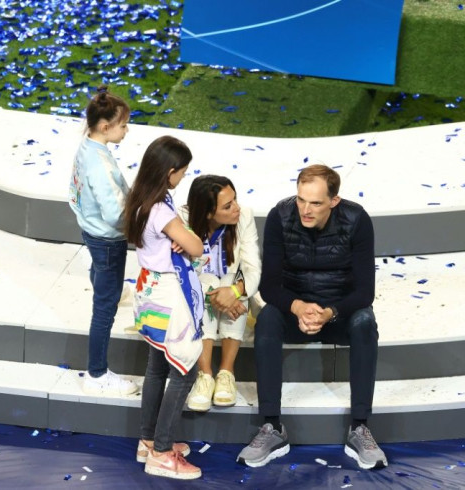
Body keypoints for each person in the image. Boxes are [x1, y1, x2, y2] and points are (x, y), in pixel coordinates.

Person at [237, 164, 387, 470]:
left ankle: (360, 427)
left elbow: (365, 292)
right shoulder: (281, 216)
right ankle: (272, 427)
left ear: (334, 201)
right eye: (301, 200)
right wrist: (297, 308)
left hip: (339, 312)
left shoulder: (357, 219)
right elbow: (269, 285)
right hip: (295, 310)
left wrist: (330, 312)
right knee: (266, 320)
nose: (305, 209)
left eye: (315, 203)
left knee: (365, 322)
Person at [125, 135, 205, 480]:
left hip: (149, 291)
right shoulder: (161, 209)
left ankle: (149, 439)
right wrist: (185, 235)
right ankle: (161, 451)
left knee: (157, 365)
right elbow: (197, 247)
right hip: (170, 294)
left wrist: (180, 235)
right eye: (182, 173)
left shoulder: (141, 198)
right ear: (170, 171)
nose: (182, 178)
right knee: (184, 369)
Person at [68, 86, 137, 396]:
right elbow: (114, 214)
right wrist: (138, 228)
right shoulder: (101, 165)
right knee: (104, 309)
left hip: (90, 228)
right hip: (107, 238)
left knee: (102, 276)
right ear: (106, 126)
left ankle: (106, 285)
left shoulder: (88, 148)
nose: (126, 130)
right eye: (123, 125)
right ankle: (96, 374)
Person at [180, 175, 262, 411]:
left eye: (235, 200)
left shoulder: (244, 216)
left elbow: (252, 267)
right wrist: (216, 294)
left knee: (233, 282)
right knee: (206, 284)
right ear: (207, 213)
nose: (236, 207)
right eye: (227, 206)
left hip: (231, 285)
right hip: (195, 288)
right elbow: (183, 272)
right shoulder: (182, 219)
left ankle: (226, 372)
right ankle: (204, 375)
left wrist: (235, 291)